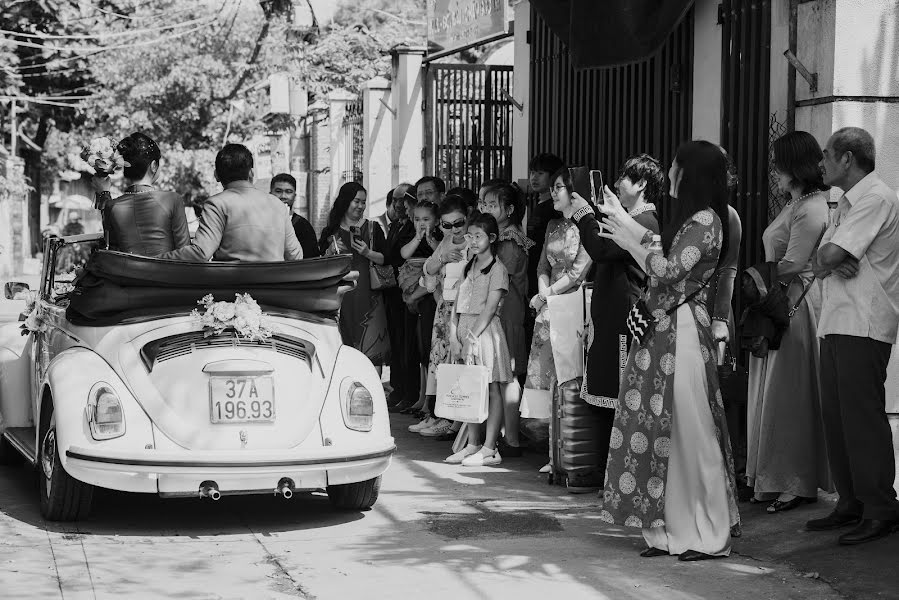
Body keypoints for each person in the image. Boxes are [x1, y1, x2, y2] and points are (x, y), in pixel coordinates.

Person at [596, 140, 738, 561]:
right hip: (666, 331)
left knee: (692, 434)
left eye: (675, 167)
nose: (670, 175)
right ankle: (673, 531)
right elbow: (663, 253)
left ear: (689, 175)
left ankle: (711, 535)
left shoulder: (706, 221)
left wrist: (629, 239)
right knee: (664, 434)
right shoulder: (695, 218)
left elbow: (668, 270)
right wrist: (628, 227)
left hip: (682, 334)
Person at [807, 127, 899, 545]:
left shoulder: (875, 197)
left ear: (847, 158)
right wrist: (830, 258)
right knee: (837, 417)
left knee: (861, 418)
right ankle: (851, 502)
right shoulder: (847, 202)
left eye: (827, 155)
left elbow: (827, 255)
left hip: (864, 320)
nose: (821, 163)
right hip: (839, 318)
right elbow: (820, 257)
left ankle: (879, 507)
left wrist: (831, 258)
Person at [562, 154, 662, 488]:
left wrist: (583, 215)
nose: (618, 182)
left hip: (625, 317)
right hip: (611, 313)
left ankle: (617, 471)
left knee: (621, 397)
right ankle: (608, 468)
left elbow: (602, 250)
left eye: (625, 177)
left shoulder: (645, 221)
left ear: (642, 185)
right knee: (608, 394)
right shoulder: (631, 217)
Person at [745, 131, 832, 512]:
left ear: (793, 166)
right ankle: (774, 477)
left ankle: (796, 481)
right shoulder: (800, 203)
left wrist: (753, 279)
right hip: (782, 303)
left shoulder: (812, 207)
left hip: (794, 306)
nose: (774, 169)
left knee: (789, 395)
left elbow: (794, 264)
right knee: (778, 393)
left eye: (779, 162)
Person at [522, 167, 592, 473]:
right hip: (549, 305)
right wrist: (542, 294)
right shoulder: (552, 224)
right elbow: (542, 265)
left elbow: (578, 272)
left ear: (575, 193)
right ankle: (552, 449)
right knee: (546, 373)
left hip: (572, 305)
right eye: (554, 187)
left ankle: (564, 450)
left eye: (560, 187)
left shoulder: (588, 227)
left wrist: (546, 295)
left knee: (567, 372)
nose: (554, 192)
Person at [445, 212, 514, 466]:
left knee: (492, 388)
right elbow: (455, 306)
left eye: (478, 236)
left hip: (485, 334)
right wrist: (454, 335)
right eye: (469, 236)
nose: (472, 241)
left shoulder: (498, 269)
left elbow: (490, 307)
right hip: (464, 330)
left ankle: (489, 447)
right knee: (470, 389)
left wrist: (472, 337)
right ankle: (472, 444)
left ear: (491, 238)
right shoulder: (467, 266)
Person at [159, 144, 303, 262]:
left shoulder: (216, 204)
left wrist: (157, 260)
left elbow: (200, 253)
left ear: (216, 175)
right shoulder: (278, 205)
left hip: (231, 291)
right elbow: (295, 256)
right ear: (251, 174)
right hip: (275, 287)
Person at [478, 181, 533, 457]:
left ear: (509, 209)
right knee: (500, 374)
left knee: (507, 375)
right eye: (484, 204)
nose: (486, 209)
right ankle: (504, 435)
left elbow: (499, 275)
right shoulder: (501, 236)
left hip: (507, 309)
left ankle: (511, 438)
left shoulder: (510, 241)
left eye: (492, 205)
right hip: (500, 307)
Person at [710, 147, 748, 502]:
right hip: (681, 308)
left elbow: (729, 269)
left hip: (712, 309)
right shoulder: (684, 211)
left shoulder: (729, 216)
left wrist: (720, 318)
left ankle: (729, 471)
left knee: (719, 391)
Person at [319, 182, 390, 368]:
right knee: (344, 349)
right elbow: (320, 264)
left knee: (372, 346)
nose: (360, 206)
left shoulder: (373, 228)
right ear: (345, 201)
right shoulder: (330, 232)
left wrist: (368, 252)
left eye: (363, 202)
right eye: (356, 201)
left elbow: (386, 259)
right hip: (341, 299)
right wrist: (329, 254)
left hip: (369, 297)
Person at [91, 132, 190, 257]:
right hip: (166, 274)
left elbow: (113, 252)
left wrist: (104, 193)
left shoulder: (112, 206)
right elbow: (185, 253)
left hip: (127, 275)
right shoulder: (172, 200)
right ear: (154, 166)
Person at [402, 200, 446, 435]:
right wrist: (419, 238)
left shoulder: (441, 239)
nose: (421, 223)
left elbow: (439, 258)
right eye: (417, 219)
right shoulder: (413, 238)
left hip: (432, 295)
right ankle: (427, 403)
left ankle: (433, 408)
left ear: (437, 221)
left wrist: (430, 240)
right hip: (418, 288)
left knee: (432, 350)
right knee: (423, 350)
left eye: (426, 219)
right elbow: (403, 253)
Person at [423, 196, 472, 412]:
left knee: (461, 362)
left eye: (459, 223)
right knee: (441, 363)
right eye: (447, 225)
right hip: (444, 312)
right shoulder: (444, 242)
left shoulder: (474, 240)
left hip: (466, 313)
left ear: (468, 217)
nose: (454, 229)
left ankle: (458, 420)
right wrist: (443, 258)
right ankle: (443, 414)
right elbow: (428, 272)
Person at [383, 183, 415, 407]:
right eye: (394, 200)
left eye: (401, 199)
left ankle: (409, 392)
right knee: (396, 341)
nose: (397, 204)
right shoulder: (395, 226)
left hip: (409, 290)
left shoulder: (414, 228)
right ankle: (397, 388)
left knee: (409, 343)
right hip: (392, 291)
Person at [525, 153, 565, 305]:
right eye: (532, 172)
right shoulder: (541, 205)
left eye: (540, 173)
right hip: (537, 272)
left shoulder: (554, 210)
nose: (534, 177)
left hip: (548, 278)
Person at [271, 173, 319, 258]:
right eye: (278, 191)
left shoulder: (304, 227)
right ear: (270, 194)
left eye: (288, 192)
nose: (283, 196)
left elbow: (311, 259)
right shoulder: (260, 222)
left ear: (294, 196)